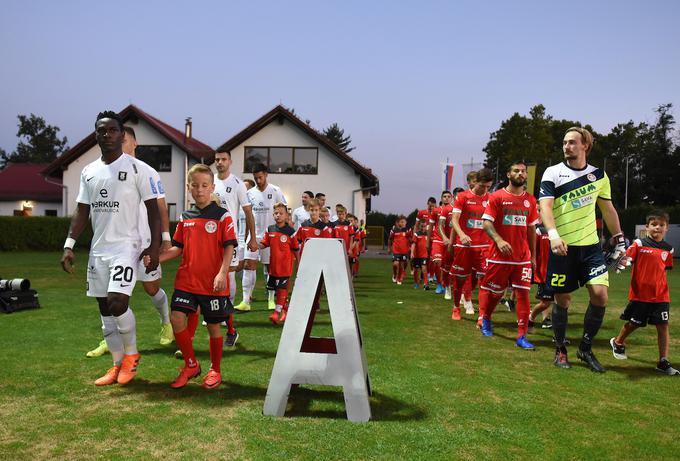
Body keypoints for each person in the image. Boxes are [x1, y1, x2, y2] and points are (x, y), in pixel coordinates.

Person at [61, 111, 160, 385]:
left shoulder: (139, 169)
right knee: (105, 309)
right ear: (96, 136)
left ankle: (131, 356)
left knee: (118, 302)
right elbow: (82, 211)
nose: (106, 135)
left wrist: (153, 246)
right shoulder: (89, 171)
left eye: (112, 130)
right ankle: (116, 365)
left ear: (122, 135)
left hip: (127, 247)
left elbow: (154, 210)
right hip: (99, 249)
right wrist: (69, 245)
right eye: (101, 131)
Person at [539, 126, 626, 372]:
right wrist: (553, 235)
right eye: (565, 142)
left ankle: (585, 349)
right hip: (562, 247)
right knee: (562, 300)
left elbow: (608, 210)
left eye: (572, 142)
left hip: (590, 247)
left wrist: (618, 237)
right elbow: (545, 207)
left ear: (585, 145)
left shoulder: (599, 176)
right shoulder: (552, 172)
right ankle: (560, 349)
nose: (567, 146)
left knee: (600, 295)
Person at [85, 126, 173, 358]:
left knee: (151, 288)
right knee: (108, 295)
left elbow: (160, 207)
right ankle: (112, 340)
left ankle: (166, 321)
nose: (118, 142)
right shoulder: (100, 171)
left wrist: (164, 238)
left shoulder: (147, 171)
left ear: (134, 144)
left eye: (124, 140)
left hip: (143, 241)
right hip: (114, 246)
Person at [157, 164, 237, 389]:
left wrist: (222, 272)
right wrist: (157, 258)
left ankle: (215, 370)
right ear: (189, 188)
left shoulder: (223, 216)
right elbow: (177, 247)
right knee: (176, 318)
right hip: (187, 280)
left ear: (212, 187)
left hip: (212, 283)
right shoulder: (186, 216)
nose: (200, 190)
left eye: (204, 185)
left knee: (213, 326)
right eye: (195, 185)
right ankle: (191, 364)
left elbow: (229, 246)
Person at [610, 210, 679, 375]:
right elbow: (625, 259)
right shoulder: (639, 244)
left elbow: (664, 270)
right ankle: (618, 342)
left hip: (661, 296)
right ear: (647, 227)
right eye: (654, 224)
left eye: (661, 225)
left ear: (666, 228)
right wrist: (618, 261)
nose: (658, 228)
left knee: (663, 326)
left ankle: (663, 361)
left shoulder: (669, 250)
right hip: (641, 295)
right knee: (634, 323)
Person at [478, 160, 538, 350]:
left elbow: (531, 230)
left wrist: (533, 257)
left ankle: (522, 336)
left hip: (522, 258)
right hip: (499, 256)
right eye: (516, 171)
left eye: (523, 171)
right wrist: (499, 240)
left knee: (523, 294)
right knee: (495, 293)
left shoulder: (531, 200)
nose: (520, 173)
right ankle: (486, 318)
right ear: (508, 174)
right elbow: (486, 223)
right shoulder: (496, 197)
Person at [212, 150, 257, 347]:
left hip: (229, 238)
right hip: (209, 238)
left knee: (228, 276)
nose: (219, 163)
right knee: (211, 276)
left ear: (230, 161)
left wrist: (252, 238)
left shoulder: (237, 184)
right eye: (217, 160)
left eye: (223, 159)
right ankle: (215, 313)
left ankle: (225, 314)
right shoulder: (210, 180)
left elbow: (248, 212)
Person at [234, 163, 287, 311]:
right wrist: (245, 238)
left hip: (271, 236)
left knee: (271, 268)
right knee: (248, 265)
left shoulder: (275, 191)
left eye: (260, 177)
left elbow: (283, 212)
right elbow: (246, 217)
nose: (258, 180)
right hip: (253, 237)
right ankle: (245, 301)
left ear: (266, 175)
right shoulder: (249, 193)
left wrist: (282, 233)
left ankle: (271, 299)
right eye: (256, 178)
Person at [449, 168, 493, 320]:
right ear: (475, 182)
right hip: (464, 247)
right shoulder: (462, 197)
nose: (485, 190)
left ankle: (482, 315)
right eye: (483, 186)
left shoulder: (491, 198)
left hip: (484, 247)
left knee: (484, 282)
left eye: (488, 187)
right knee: (460, 280)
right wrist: (461, 235)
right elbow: (454, 220)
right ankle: (456, 307)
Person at [259, 203, 299, 324]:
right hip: (274, 267)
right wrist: (256, 246)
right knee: (278, 290)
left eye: (281, 213)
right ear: (273, 215)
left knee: (282, 289)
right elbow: (264, 243)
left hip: (286, 266)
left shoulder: (290, 231)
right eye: (276, 213)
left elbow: (296, 249)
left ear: (286, 215)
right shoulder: (270, 229)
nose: (278, 215)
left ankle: (276, 313)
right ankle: (285, 310)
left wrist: (299, 263)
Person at [528, 211, 554, 331]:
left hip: (557, 271)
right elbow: (533, 249)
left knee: (559, 300)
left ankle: (547, 321)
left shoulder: (559, 231)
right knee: (546, 302)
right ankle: (531, 317)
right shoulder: (539, 231)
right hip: (544, 272)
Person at [428, 191, 453, 294]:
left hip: (450, 241)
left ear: (451, 198)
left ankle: (447, 285)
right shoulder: (436, 211)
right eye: (444, 196)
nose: (446, 198)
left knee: (447, 265)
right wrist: (428, 241)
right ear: (441, 198)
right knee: (437, 262)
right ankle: (439, 284)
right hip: (438, 240)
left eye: (448, 196)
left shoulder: (454, 210)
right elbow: (431, 226)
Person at [388, 215, 411, 285]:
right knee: (395, 264)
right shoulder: (394, 230)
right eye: (402, 222)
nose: (403, 223)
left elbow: (410, 239)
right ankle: (395, 274)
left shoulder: (407, 230)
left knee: (401, 264)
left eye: (404, 222)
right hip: (396, 250)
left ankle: (399, 278)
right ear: (398, 223)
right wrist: (389, 248)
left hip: (404, 250)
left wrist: (410, 247)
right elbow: (390, 239)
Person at [411, 220, 429, 289]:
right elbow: (413, 244)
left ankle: (426, 284)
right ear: (419, 226)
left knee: (424, 268)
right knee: (416, 269)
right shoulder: (416, 234)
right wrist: (412, 253)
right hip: (416, 255)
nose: (423, 228)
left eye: (424, 226)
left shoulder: (428, 234)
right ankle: (416, 283)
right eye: (421, 226)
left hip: (424, 255)